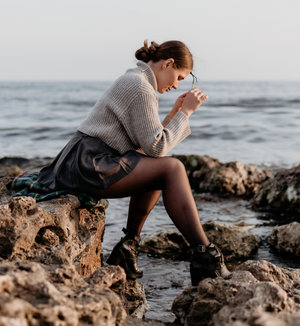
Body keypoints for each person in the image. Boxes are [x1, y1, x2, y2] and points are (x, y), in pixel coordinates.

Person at [37, 40, 230, 285]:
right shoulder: (140, 86)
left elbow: (149, 148)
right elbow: (157, 147)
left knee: (159, 169)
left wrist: (173, 115)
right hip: (89, 164)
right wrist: (186, 113)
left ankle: (128, 249)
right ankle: (206, 256)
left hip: (87, 160)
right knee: (173, 169)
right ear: (167, 64)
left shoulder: (139, 80)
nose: (176, 85)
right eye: (178, 77)